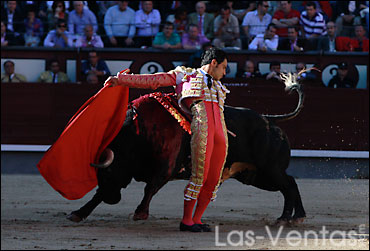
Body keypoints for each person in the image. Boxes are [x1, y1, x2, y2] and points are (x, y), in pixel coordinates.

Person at [105, 47, 229, 233]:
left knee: (213, 180)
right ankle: (187, 221)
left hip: (221, 133)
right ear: (214, 63)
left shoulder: (219, 86)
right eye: (224, 67)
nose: (225, 72)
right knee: (199, 177)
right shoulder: (185, 75)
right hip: (202, 130)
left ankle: (197, 219)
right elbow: (152, 80)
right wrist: (120, 80)